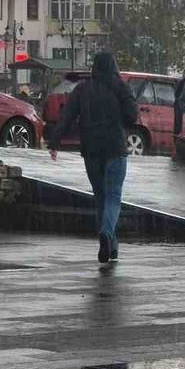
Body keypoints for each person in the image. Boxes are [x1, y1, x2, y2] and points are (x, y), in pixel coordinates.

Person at [47, 52, 137, 265]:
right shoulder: (120, 86)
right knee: (113, 196)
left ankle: (110, 246)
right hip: (115, 148)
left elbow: (67, 116)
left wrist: (54, 143)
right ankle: (107, 234)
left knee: (101, 198)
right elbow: (132, 115)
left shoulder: (82, 89)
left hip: (91, 150)